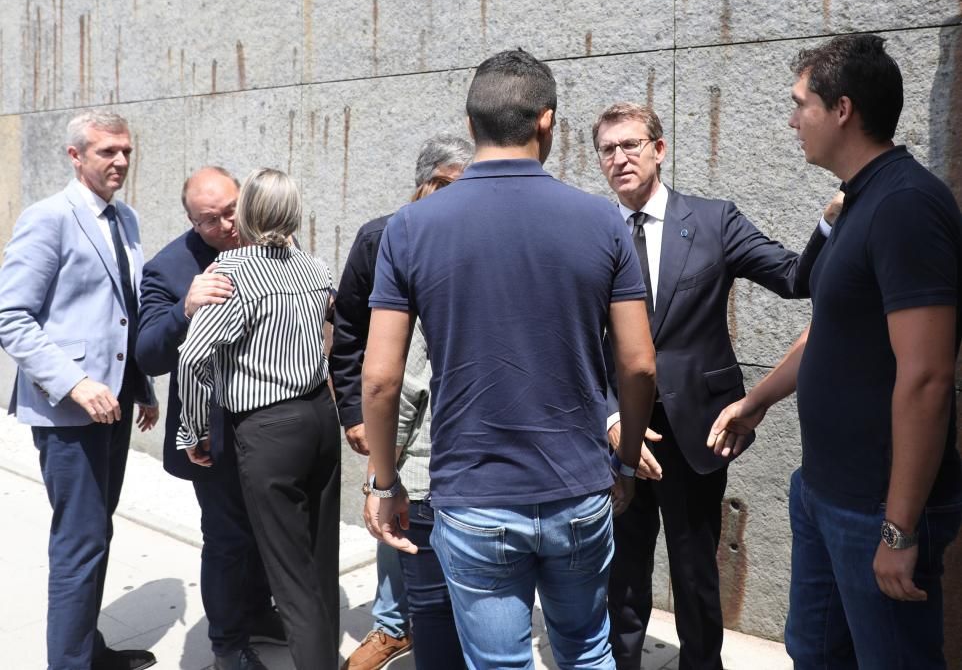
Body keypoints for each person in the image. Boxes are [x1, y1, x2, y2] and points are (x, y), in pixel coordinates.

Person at [363, 49, 658, 669]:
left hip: (472, 496)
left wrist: (384, 481)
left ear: (471, 127)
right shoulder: (602, 220)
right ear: (547, 122)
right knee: (586, 652)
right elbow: (637, 366)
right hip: (578, 487)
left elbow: (382, 377)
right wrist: (626, 463)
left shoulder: (411, 228)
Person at [710, 33, 962, 669]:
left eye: (801, 104)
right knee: (815, 655)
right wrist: (756, 401)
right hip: (822, 493)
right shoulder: (856, 201)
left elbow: (929, 376)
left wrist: (899, 528)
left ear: (842, 109)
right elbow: (830, 328)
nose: (793, 120)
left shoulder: (906, 206)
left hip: (876, 510)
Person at [593, 103, 833, 670]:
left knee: (695, 573)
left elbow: (796, 278)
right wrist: (609, 420)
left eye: (632, 144)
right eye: (608, 149)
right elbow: (576, 338)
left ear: (659, 148)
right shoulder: (592, 231)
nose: (621, 158)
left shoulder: (713, 219)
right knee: (621, 576)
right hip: (616, 433)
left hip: (695, 431)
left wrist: (830, 223)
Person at [0, 111, 159, 670]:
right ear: (75, 156)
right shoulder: (49, 218)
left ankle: (86, 650)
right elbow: (11, 317)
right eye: (106, 152)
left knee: (95, 536)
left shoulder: (126, 219)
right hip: (70, 414)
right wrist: (75, 383)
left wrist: (140, 384)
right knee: (79, 544)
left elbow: (123, 313)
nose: (119, 162)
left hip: (113, 408)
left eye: (126, 152)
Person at [176, 168, 341, 670]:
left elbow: (191, 358)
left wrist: (193, 429)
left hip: (270, 430)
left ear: (246, 213)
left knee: (289, 577)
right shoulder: (313, 267)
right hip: (319, 418)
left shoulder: (231, 273)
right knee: (319, 561)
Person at [136, 167, 287, 670]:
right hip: (211, 435)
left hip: (272, 422)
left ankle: (260, 612)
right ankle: (228, 646)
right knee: (227, 539)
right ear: (191, 223)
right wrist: (185, 308)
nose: (228, 224)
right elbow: (148, 354)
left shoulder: (270, 242)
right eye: (211, 219)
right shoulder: (168, 268)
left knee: (268, 531)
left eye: (231, 210)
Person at [334, 134, 472, 670]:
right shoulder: (380, 238)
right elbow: (346, 333)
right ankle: (394, 626)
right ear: (427, 183)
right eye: (452, 185)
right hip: (391, 406)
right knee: (394, 512)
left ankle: (441, 620)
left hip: (452, 412)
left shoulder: (475, 233)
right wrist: (354, 412)